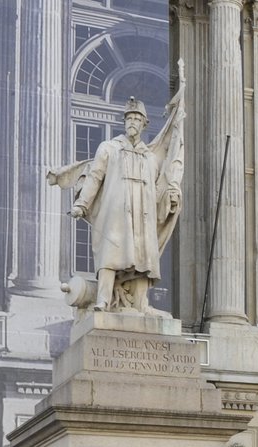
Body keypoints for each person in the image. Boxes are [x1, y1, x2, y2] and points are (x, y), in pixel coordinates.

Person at [55, 92, 184, 314]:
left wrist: (170, 200)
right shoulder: (108, 148)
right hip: (115, 213)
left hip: (142, 216)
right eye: (129, 118)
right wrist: (82, 204)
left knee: (144, 258)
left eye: (137, 119)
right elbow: (95, 176)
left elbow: (157, 190)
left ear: (144, 124)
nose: (132, 122)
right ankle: (103, 300)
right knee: (110, 254)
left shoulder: (150, 158)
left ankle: (141, 303)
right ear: (124, 122)